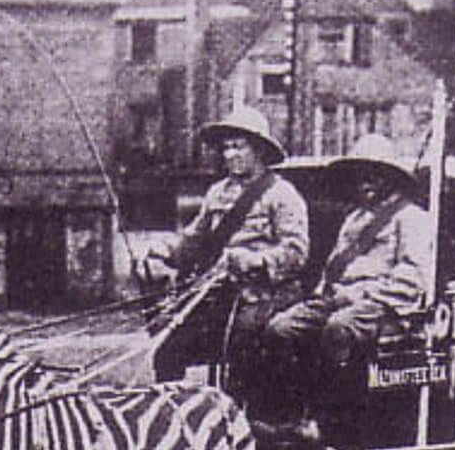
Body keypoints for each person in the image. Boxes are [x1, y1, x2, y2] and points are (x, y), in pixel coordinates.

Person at [263, 133, 434, 431]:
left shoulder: (411, 219)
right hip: (340, 298)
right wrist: (322, 295)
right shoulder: (354, 219)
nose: (365, 183)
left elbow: (412, 279)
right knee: (281, 328)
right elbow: (333, 267)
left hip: (386, 307)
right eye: (359, 176)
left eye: (374, 175)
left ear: (390, 178)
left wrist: (359, 294)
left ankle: (333, 420)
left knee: (338, 328)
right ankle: (289, 416)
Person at [151, 105, 310, 391]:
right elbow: (194, 240)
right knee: (168, 340)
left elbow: (297, 252)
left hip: (265, 294)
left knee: (242, 341)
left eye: (239, 147)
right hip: (217, 292)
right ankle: (171, 412)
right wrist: (164, 251)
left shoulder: (282, 194)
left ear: (259, 150)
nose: (230, 155)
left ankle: (244, 417)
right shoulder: (217, 192)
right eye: (226, 148)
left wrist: (256, 260)